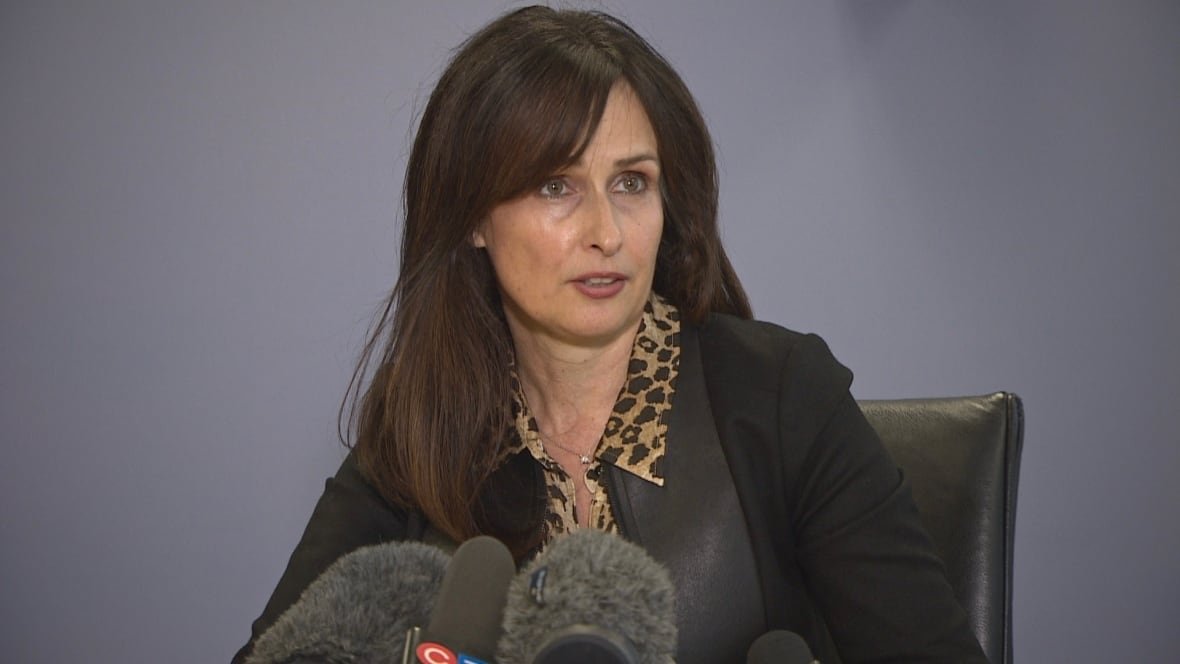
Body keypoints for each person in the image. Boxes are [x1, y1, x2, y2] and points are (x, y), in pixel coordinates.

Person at [235, 6, 987, 663]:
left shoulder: (783, 396)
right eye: (554, 186)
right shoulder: (418, 425)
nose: (605, 232)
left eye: (632, 182)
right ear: (473, 219)